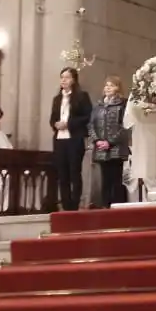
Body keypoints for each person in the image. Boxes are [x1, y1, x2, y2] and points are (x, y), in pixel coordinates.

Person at [49, 67, 92, 211]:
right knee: (62, 173)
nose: (63, 80)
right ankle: (66, 204)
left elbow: (87, 117)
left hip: (74, 139)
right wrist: (55, 124)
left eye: (66, 77)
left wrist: (68, 124)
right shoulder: (57, 99)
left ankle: (74, 204)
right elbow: (52, 118)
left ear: (73, 80)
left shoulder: (82, 96)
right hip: (59, 139)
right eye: (62, 77)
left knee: (74, 171)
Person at [90, 76, 129, 208]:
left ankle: (117, 207)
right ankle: (105, 206)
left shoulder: (123, 105)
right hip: (101, 148)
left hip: (116, 149)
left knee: (116, 180)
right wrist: (97, 140)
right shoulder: (98, 106)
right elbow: (91, 125)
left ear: (118, 88)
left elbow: (125, 126)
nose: (107, 88)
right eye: (106, 85)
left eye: (111, 85)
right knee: (105, 180)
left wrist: (110, 142)